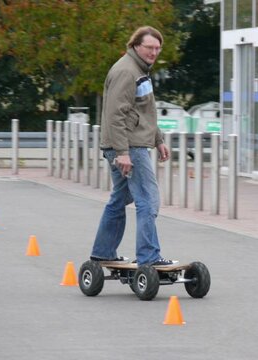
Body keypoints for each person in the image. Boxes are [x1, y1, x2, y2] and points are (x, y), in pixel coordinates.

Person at [90, 26, 176, 266]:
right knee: (148, 199)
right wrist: (122, 153)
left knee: (121, 197)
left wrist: (158, 140)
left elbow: (143, 110)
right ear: (136, 45)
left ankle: (103, 252)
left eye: (158, 48)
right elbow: (115, 115)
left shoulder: (140, 70)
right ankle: (149, 257)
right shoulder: (126, 72)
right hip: (128, 146)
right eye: (149, 47)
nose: (154, 52)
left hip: (131, 143)